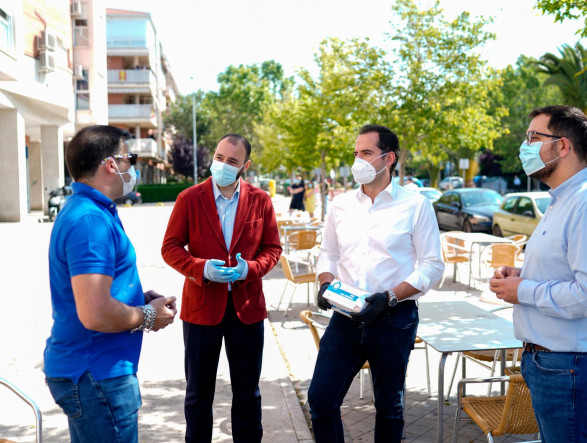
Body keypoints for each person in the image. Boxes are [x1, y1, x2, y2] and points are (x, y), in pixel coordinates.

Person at [489, 105, 587, 442]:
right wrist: (522, 275)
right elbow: (567, 269)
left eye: (534, 138)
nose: (525, 147)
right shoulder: (563, 200)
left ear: (563, 146)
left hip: (572, 365)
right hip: (556, 363)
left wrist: (522, 290)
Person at [308, 124, 444, 442]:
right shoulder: (341, 205)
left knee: (389, 406)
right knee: (320, 399)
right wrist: (326, 283)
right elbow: (328, 253)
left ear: (388, 158)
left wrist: (389, 297)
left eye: (366, 153)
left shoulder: (416, 205)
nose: (358, 160)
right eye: (356, 153)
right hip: (345, 317)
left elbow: (432, 267)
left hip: (394, 319)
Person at [44, 125, 177, 443]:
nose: (133, 167)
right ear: (110, 164)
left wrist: (135, 298)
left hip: (94, 373)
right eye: (130, 157)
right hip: (96, 375)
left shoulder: (91, 212)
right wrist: (147, 314)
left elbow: (95, 294)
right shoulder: (90, 221)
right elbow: (95, 313)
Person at [161, 133, 282, 443]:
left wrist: (249, 269)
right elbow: (171, 247)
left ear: (245, 165)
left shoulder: (260, 200)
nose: (223, 165)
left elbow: (272, 249)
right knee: (198, 395)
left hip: (247, 311)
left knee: (247, 394)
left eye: (232, 161)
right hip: (201, 311)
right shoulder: (189, 198)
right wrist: (200, 268)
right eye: (219, 157)